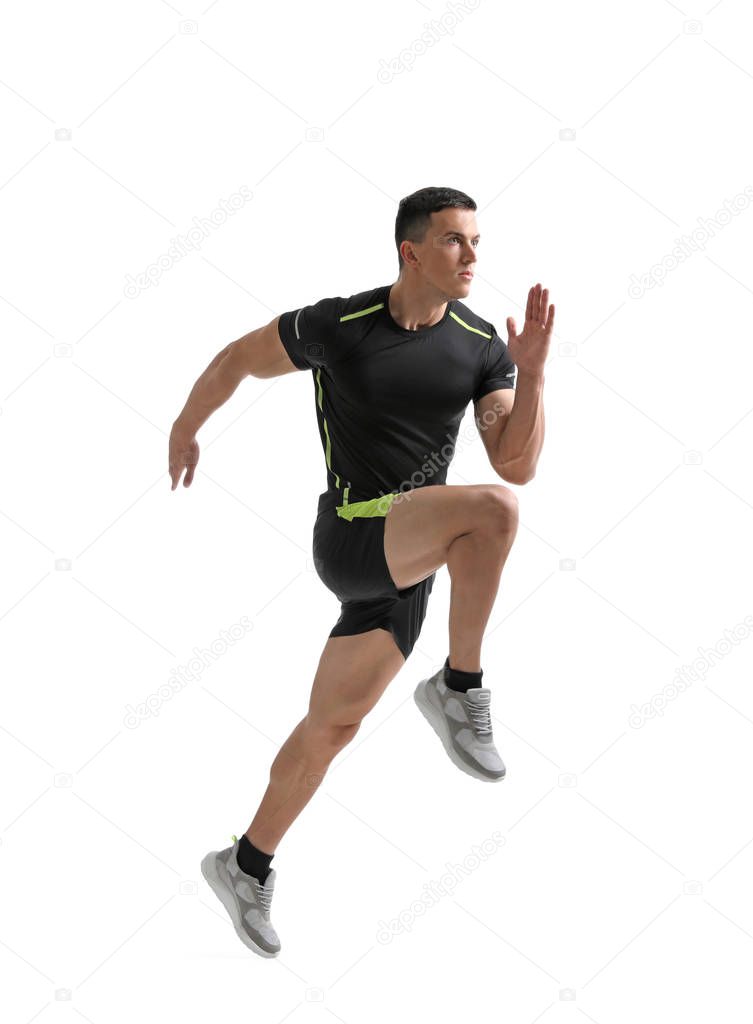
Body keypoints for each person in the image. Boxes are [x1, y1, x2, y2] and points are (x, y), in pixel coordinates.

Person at [169, 186, 555, 957]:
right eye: (454, 241)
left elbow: (515, 462)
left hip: (409, 564)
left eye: (477, 241)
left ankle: (244, 865)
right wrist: (185, 425)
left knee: (331, 727)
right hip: (350, 538)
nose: (473, 256)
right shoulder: (339, 326)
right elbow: (236, 359)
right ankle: (459, 684)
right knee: (493, 514)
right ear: (410, 252)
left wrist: (534, 373)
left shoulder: (481, 344)